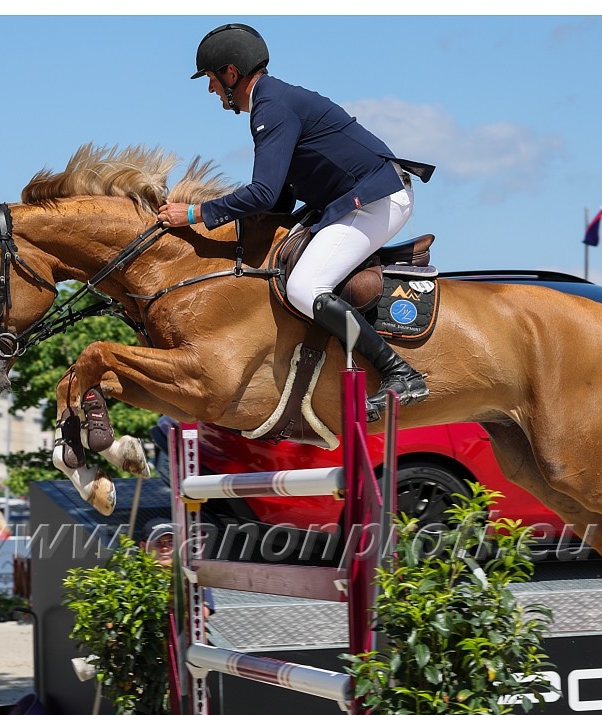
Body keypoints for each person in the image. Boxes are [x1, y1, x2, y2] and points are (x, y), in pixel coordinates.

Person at [157, 23, 432, 422]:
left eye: (212, 80)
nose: (211, 89)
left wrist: (196, 214)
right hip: (353, 200)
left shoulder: (272, 107)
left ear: (231, 73)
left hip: (377, 200)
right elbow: (282, 197)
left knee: (305, 286)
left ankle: (400, 373)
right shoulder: (272, 101)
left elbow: (265, 194)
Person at [139, 519, 213, 617]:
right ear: (143, 546)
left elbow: (202, 613)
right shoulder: (135, 576)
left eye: (171, 542)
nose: (165, 548)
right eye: (158, 543)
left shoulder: (191, 574)